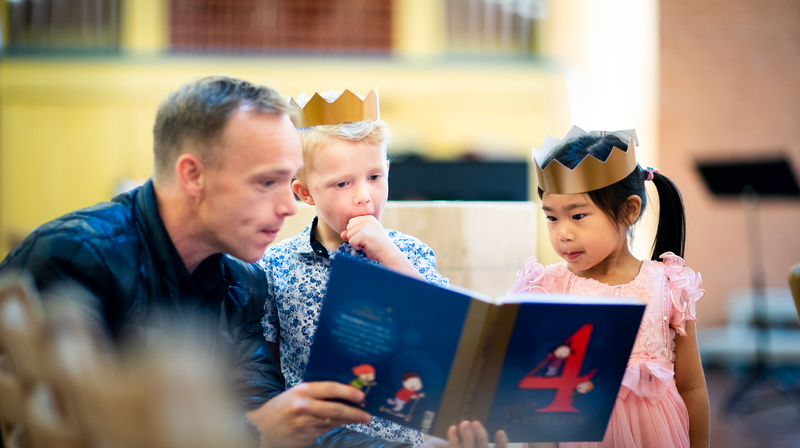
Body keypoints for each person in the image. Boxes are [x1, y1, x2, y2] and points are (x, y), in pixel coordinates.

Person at [0, 76, 501, 448]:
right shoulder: (76, 257)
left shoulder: (244, 284)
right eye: (267, 182)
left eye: (287, 182)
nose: (287, 206)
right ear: (193, 175)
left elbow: (268, 414)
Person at [260, 89, 449, 446]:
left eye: (374, 177)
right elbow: (267, 368)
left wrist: (389, 256)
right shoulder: (277, 265)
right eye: (343, 183)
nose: (364, 195)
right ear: (305, 193)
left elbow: (444, 327)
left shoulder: (410, 253)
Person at [509, 127, 709, 448]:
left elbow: (692, 388)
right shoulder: (545, 289)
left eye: (577, 215)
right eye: (552, 218)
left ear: (629, 210)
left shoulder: (669, 286)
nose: (563, 234)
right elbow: (534, 393)